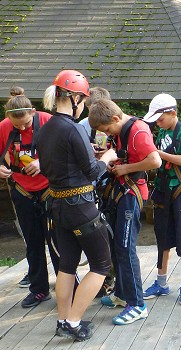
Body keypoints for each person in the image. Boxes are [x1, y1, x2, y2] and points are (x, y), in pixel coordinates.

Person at [37, 69, 117, 341]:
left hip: (58, 207)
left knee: (67, 265)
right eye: (82, 100)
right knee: (101, 264)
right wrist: (107, 157)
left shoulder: (46, 127)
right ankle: (73, 321)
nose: (83, 106)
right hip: (80, 206)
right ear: (72, 98)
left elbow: (58, 164)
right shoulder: (72, 129)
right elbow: (94, 172)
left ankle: (63, 319)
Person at [0, 87, 58, 309]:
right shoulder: (4, 127)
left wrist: (43, 162)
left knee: (56, 240)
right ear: (8, 118)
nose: (22, 128)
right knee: (33, 242)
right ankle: (39, 290)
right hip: (22, 190)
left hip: (49, 189)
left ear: (33, 111)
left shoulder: (48, 121)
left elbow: (66, 148)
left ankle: (66, 285)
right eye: (17, 126)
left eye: (26, 123)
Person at [88, 99, 162, 325]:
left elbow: (155, 161)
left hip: (131, 194)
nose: (106, 133)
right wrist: (113, 161)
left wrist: (125, 168)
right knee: (115, 244)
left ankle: (137, 304)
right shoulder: (121, 131)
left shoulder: (138, 130)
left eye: (107, 129)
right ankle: (121, 293)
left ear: (115, 119)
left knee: (125, 247)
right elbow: (126, 153)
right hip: (119, 190)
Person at [142, 93, 181, 306]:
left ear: (172, 112)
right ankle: (161, 282)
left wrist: (158, 153)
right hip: (163, 191)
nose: (158, 123)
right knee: (162, 238)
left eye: (160, 119)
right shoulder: (162, 131)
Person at [78, 86, 115, 297]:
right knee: (95, 237)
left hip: (111, 185)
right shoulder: (82, 127)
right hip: (90, 189)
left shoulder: (116, 126)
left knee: (112, 235)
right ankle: (100, 278)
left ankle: (112, 277)